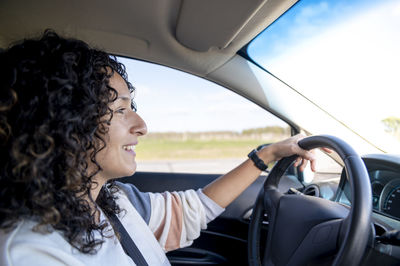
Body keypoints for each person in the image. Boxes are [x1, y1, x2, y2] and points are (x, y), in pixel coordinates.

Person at [0, 31, 318, 265]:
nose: (142, 126)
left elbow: (191, 210)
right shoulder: (31, 252)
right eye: (120, 109)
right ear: (63, 120)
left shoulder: (111, 202)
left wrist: (269, 154)